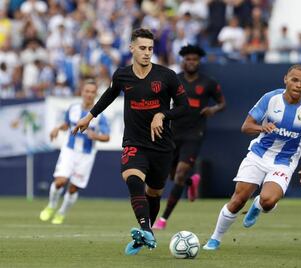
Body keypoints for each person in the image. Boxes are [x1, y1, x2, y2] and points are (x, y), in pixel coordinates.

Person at [72, 28, 189, 255]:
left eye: (150, 49)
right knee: (132, 178)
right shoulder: (122, 75)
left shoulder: (167, 76)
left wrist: (162, 114)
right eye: (143, 48)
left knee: (154, 193)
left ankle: (144, 234)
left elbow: (185, 106)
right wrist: (89, 116)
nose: (147, 53)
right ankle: (146, 229)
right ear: (131, 48)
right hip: (134, 141)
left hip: (162, 145)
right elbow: (109, 95)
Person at [203, 64, 301, 250]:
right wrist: (261, 128)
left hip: (284, 162)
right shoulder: (270, 98)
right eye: (294, 80)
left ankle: (258, 205)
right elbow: (246, 126)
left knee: (268, 200)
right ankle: (215, 239)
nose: (298, 85)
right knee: (238, 200)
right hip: (258, 155)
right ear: (285, 79)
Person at [153, 44, 226, 230]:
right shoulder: (174, 80)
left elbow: (222, 103)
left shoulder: (208, 82)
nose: (191, 62)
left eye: (194, 59)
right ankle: (191, 182)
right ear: (182, 61)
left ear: (199, 61)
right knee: (171, 175)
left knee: (179, 173)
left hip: (194, 134)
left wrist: (213, 109)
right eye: (188, 59)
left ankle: (163, 218)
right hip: (173, 132)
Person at [39, 80, 110, 224]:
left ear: (96, 94)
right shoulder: (73, 108)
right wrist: (58, 128)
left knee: (73, 188)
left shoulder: (100, 115)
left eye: (92, 92)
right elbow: (67, 124)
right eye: (87, 91)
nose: (89, 94)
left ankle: (62, 212)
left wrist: (95, 136)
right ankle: (52, 205)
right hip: (69, 151)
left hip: (86, 155)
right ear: (81, 92)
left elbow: (107, 137)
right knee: (60, 181)